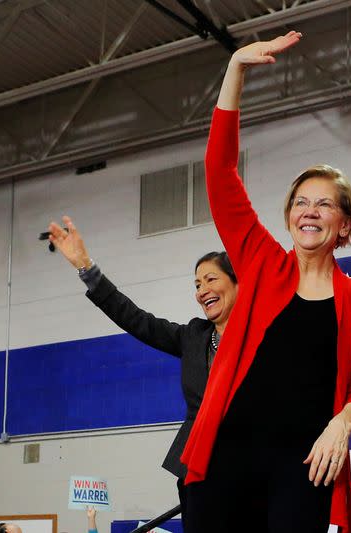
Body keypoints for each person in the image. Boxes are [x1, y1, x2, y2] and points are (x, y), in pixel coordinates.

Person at [179, 31, 351, 533]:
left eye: (324, 203)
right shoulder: (262, 261)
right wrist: (235, 73)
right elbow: (220, 171)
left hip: (303, 465)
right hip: (227, 455)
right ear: (289, 216)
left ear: (345, 224)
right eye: (300, 202)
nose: (310, 210)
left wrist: (342, 423)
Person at [47, 216, 238, 523]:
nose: (202, 290)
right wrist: (86, 267)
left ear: (238, 281)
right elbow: (135, 319)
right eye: (197, 284)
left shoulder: (265, 336)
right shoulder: (192, 336)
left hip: (252, 469)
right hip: (199, 472)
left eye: (211, 279)